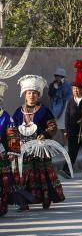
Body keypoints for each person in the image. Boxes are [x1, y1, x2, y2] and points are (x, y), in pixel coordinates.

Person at [13, 75, 65, 210]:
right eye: (29, 93)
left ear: (38, 95)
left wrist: (45, 134)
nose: (32, 96)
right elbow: (11, 130)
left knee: (43, 174)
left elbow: (52, 126)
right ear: (25, 95)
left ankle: (45, 199)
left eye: (35, 93)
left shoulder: (44, 111)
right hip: (24, 151)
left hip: (40, 149)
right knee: (23, 176)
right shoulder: (18, 113)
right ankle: (23, 202)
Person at [62, 79, 82, 179]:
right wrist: (66, 130)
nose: (76, 91)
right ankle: (67, 171)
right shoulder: (70, 101)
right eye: (74, 89)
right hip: (73, 132)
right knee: (72, 153)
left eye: (78, 89)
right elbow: (67, 116)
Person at [0, 81, 21, 216]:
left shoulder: (5, 116)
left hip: (1, 155)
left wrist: (13, 150)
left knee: (3, 183)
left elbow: (12, 133)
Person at [48, 68, 71, 137]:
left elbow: (66, 93)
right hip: (55, 107)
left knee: (64, 126)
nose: (58, 77)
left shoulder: (67, 84)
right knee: (54, 126)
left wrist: (61, 85)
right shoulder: (52, 84)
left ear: (63, 77)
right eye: (57, 76)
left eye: (60, 76)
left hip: (64, 106)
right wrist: (55, 87)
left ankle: (66, 145)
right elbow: (50, 94)